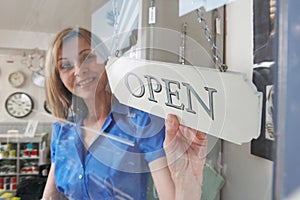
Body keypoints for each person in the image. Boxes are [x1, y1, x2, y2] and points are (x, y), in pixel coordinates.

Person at [42, 27, 207, 200]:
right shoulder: (62, 130)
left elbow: (171, 197)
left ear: (106, 61)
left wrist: (187, 180)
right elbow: (50, 197)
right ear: (57, 77)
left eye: (88, 57)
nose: (78, 70)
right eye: (65, 65)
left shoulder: (141, 121)